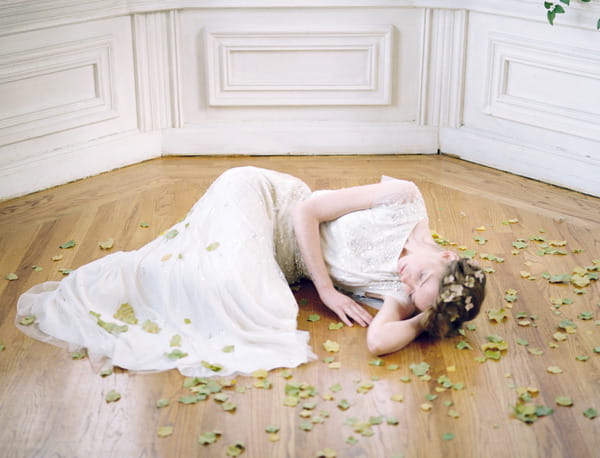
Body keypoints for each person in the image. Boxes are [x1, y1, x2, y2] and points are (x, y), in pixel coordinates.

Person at [16, 166, 485, 377]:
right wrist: (324, 289)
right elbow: (308, 208)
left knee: (221, 288)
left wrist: (429, 315)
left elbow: (379, 343)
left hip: (278, 258)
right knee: (223, 289)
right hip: (268, 200)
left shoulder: (402, 294)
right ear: (447, 255)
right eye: (420, 278)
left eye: (413, 292)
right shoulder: (404, 198)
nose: (406, 282)